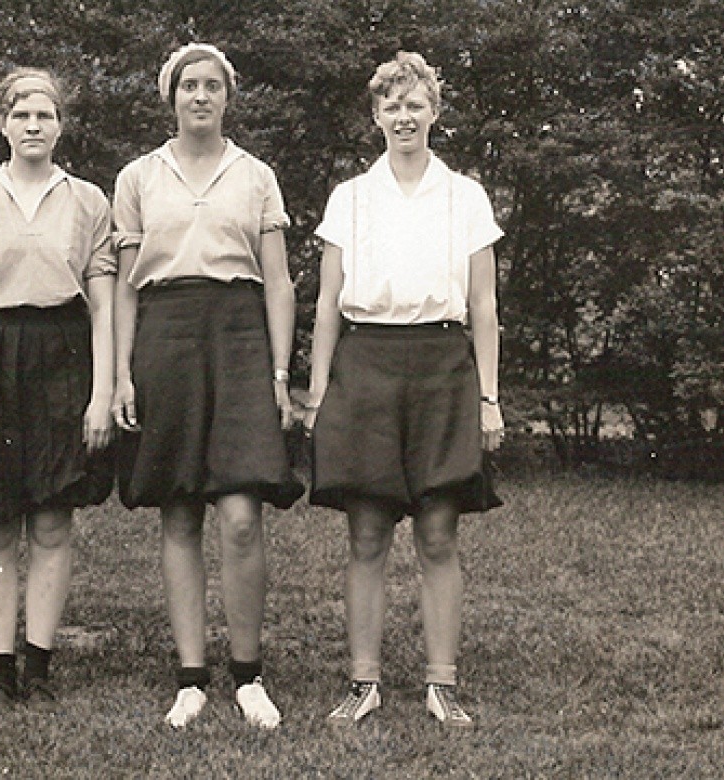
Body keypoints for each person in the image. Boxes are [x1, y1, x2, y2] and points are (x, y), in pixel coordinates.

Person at [305, 51, 504, 729]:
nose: (403, 115)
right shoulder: (351, 197)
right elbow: (328, 302)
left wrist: (489, 397)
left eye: (414, 103)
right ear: (375, 117)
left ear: (435, 112)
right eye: (391, 105)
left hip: (444, 365)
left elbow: (483, 306)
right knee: (366, 532)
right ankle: (363, 683)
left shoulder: (465, 196)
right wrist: (316, 389)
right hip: (366, 364)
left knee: (439, 533)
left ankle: (441, 684)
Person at [112, 43, 303, 730]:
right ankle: (192, 677)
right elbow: (125, 288)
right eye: (188, 85)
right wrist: (120, 375)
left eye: (212, 85)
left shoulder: (255, 175)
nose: (200, 96)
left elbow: (277, 282)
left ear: (228, 96)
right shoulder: (138, 176)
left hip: (241, 335)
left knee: (243, 515)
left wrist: (282, 374)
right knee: (179, 510)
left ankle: (248, 676)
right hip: (164, 334)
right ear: (171, 97)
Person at [0, 68, 115, 710]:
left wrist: (101, 392)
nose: (33, 126)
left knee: (54, 516)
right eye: (21, 115)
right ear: (3, 123)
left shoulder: (88, 200)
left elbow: (102, 301)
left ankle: (38, 660)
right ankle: (0, 662)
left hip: (62, 352)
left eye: (46, 116)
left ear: (61, 125)